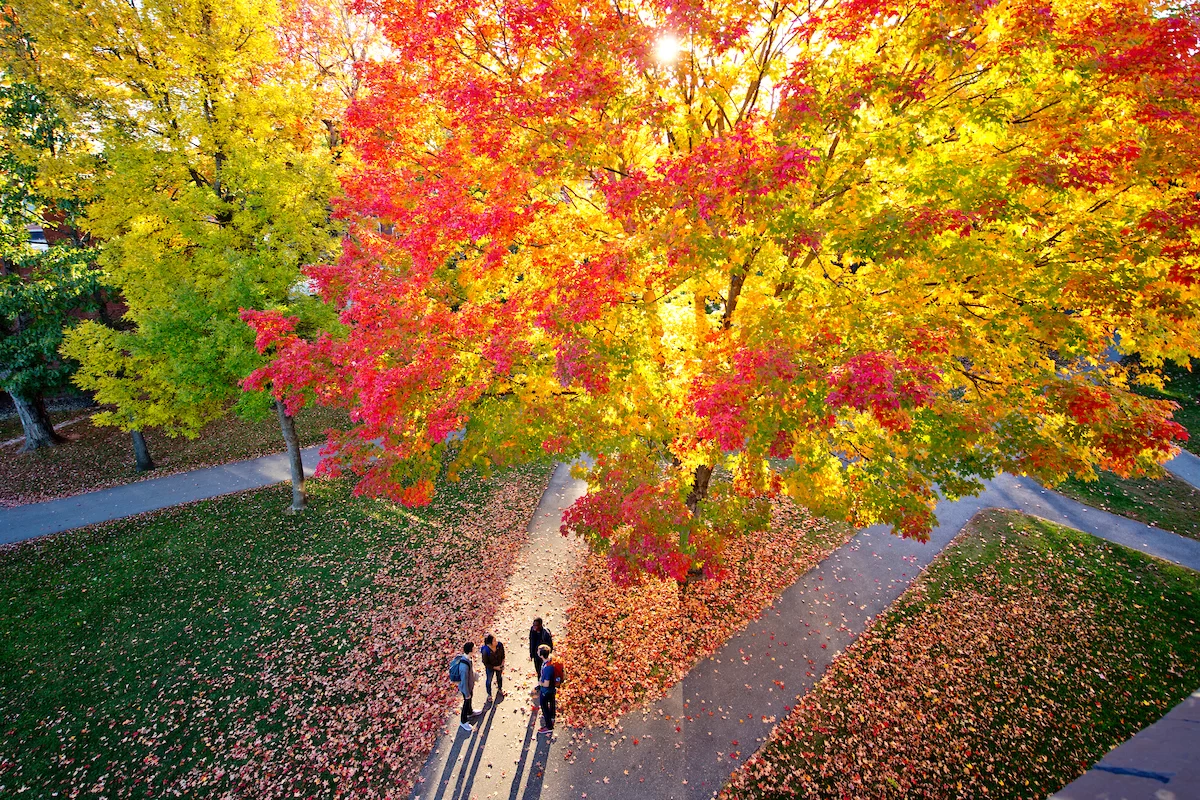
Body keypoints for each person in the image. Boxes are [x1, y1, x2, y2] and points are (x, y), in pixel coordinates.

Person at [452, 642, 483, 732]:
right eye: (474, 648)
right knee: (466, 702)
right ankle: (463, 721)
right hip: (466, 688)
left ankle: (470, 712)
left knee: (469, 700)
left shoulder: (469, 659)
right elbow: (464, 681)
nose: (475, 648)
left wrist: (475, 676)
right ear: (470, 650)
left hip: (470, 685)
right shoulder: (463, 667)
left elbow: (471, 671)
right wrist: (466, 693)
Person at [537, 644, 559, 734]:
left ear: (542, 655)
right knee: (552, 702)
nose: (537, 652)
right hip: (552, 688)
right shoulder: (551, 659)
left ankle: (549, 726)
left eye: (538, 651)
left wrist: (540, 683)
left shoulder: (547, 668)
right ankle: (552, 717)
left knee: (544, 706)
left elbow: (546, 684)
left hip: (546, 690)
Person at [480, 634, 506, 701]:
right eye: (494, 641)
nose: (496, 642)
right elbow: (485, 663)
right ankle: (489, 694)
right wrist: (494, 667)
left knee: (499, 677)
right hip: (490, 667)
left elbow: (503, 655)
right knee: (489, 680)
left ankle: (500, 688)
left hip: (499, 665)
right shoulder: (486, 651)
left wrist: (502, 664)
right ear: (489, 644)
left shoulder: (499, 645)